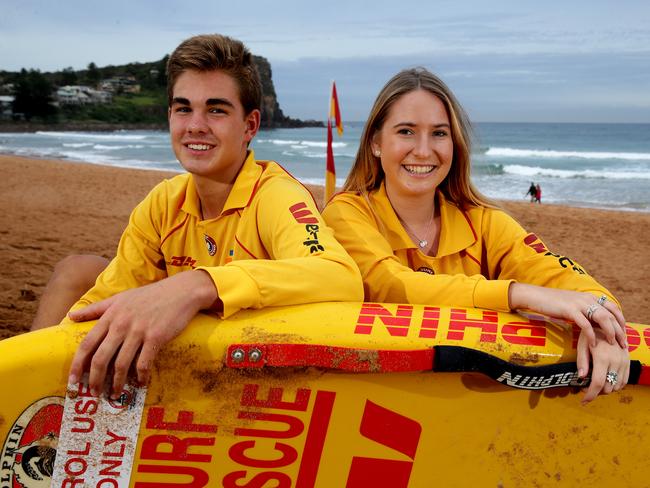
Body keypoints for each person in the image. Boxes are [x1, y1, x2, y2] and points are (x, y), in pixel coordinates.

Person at [42, 34, 363, 399]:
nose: (195, 125)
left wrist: (199, 285)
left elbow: (341, 277)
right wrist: (40, 360)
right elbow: (106, 297)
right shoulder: (164, 202)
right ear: (170, 117)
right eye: (183, 109)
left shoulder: (276, 195)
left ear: (250, 126)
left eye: (216, 110)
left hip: (266, 393)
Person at [322, 67, 628, 404]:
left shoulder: (483, 220)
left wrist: (601, 321)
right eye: (406, 131)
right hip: (372, 405)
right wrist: (518, 295)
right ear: (377, 143)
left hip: (465, 410)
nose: (423, 150)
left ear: (454, 144)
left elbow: (557, 272)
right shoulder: (347, 213)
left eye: (439, 133)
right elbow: (394, 286)